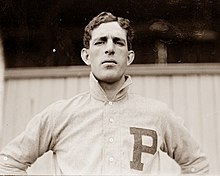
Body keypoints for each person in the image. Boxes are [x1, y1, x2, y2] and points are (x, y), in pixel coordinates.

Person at [0, 12, 209, 175]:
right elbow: (8, 164)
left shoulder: (157, 114)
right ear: (86, 55)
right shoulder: (59, 115)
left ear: (129, 57)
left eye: (118, 42)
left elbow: (196, 164)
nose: (110, 49)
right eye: (101, 41)